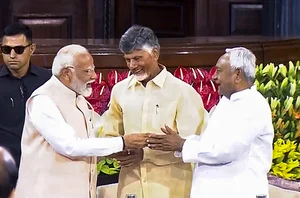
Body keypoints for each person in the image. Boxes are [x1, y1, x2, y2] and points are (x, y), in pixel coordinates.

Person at [15, 44, 150, 198]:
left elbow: (86, 145)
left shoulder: (79, 98)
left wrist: (111, 153)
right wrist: (122, 142)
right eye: (87, 71)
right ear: (67, 73)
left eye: (93, 69)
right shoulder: (43, 100)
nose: (94, 76)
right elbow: (69, 146)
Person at [147, 47, 274, 198]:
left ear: (237, 75)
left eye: (219, 71)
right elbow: (211, 142)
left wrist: (182, 144)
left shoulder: (252, 106)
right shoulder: (228, 102)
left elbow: (225, 151)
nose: (214, 77)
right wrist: (181, 142)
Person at [102, 25, 207, 198]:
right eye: (127, 60)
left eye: (137, 58)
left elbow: (196, 145)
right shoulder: (119, 91)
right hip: (130, 187)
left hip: (171, 189)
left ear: (155, 54)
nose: (132, 66)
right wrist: (120, 150)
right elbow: (109, 136)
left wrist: (146, 154)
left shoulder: (183, 92)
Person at [0, 22, 51, 167]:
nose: (12, 55)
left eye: (19, 49)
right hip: (4, 165)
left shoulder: (47, 81)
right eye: (6, 49)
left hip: (41, 161)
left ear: (32, 49)